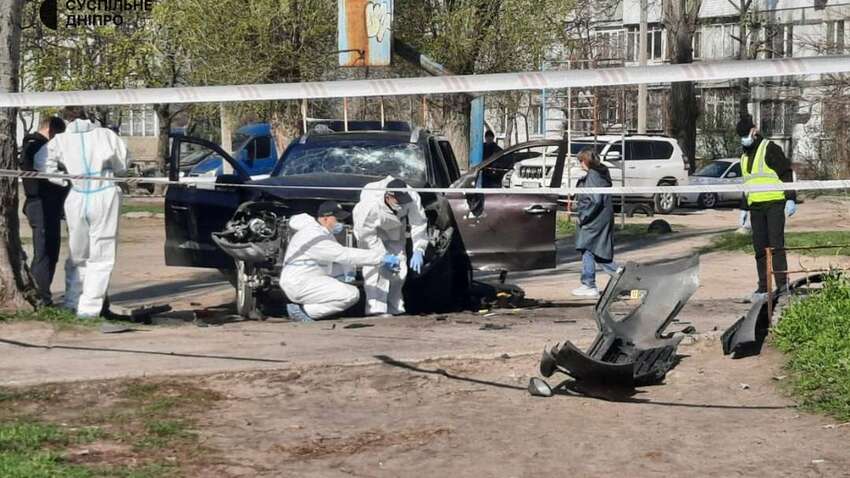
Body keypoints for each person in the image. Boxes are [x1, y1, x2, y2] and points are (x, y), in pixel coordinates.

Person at [35, 106, 129, 318]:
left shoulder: (61, 140)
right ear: (87, 116)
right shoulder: (105, 135)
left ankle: (72, 301)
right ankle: (89, 308)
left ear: (66, 119)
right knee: (102, 252)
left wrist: (60, 178)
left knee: (77, 253)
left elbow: (41, 161)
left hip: (77, 195)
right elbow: (122, 163)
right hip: (104, 191)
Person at [280, 201, 401, 322]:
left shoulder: (322, 233)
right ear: (326, 219)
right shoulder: (314, 236)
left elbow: (339, 258)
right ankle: (304, 311)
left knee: (342, 279)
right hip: (299, 283)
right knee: (351, 295)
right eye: (338, 219)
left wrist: (348, 273)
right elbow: (343, 255)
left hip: (307, 276)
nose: (341, 223)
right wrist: (381, 258)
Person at [735, 114, 796, 303]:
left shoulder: (769, 148)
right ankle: (763, 288)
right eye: (741, 137)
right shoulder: (744, 156)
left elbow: (786, 173)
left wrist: (790, 198)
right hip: (756, 207)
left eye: (746, 135)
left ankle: (782, 287)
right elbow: (748, 184)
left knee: (776, 247)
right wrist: (744, 208)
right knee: (760, 249)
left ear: (754, 131)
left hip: (774, 204)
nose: (744, 139)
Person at [353, 176, 428, 316]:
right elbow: (366, 235)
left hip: (396, 229)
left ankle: (395, 308)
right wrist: (383, 256)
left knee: (400, 267)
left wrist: (419, 248)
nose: (401, 203)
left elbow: (419, 223)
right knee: (375, 269)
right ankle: (375, 310)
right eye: (398, 200)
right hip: (372, 233)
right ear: (388, 196)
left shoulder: (412, 196)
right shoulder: (370, 204)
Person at [20, 116, 67, 305]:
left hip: (47, 205)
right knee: (44, 252)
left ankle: (42, 293)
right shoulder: (35, 146)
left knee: (51, 250)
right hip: (40, 204)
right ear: (51, 131)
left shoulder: (36, 145)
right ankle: (40, 297)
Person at [572, 147, 619, 299]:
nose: (580, 164)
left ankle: (589, 284)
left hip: (594, 218)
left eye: (581, 161)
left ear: (585, 161)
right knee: (595, 250)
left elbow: (595, 200)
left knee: (587, 247)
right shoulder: (601, 172)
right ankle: (619, 274)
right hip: (602, 216)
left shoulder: (593, 176)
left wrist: (583, 216)